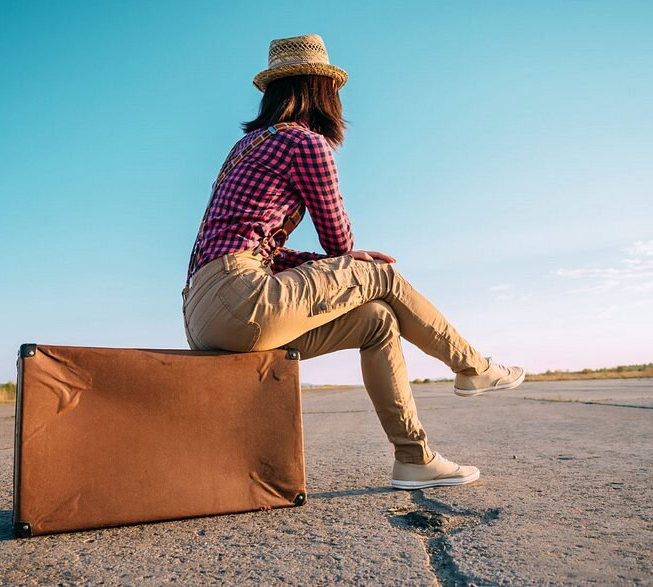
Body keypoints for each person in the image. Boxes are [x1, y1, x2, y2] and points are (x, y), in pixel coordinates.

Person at [182, 34, 524, 490]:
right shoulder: (303, 143)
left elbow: (262, 250)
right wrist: (348, 260)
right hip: (240, 298)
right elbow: (339, 238)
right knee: (381, 274)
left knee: (377, 320)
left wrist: (333, 263)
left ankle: (414, 457)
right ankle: (472, 367)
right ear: (323, 90)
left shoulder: (243, 148)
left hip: (208, 311)